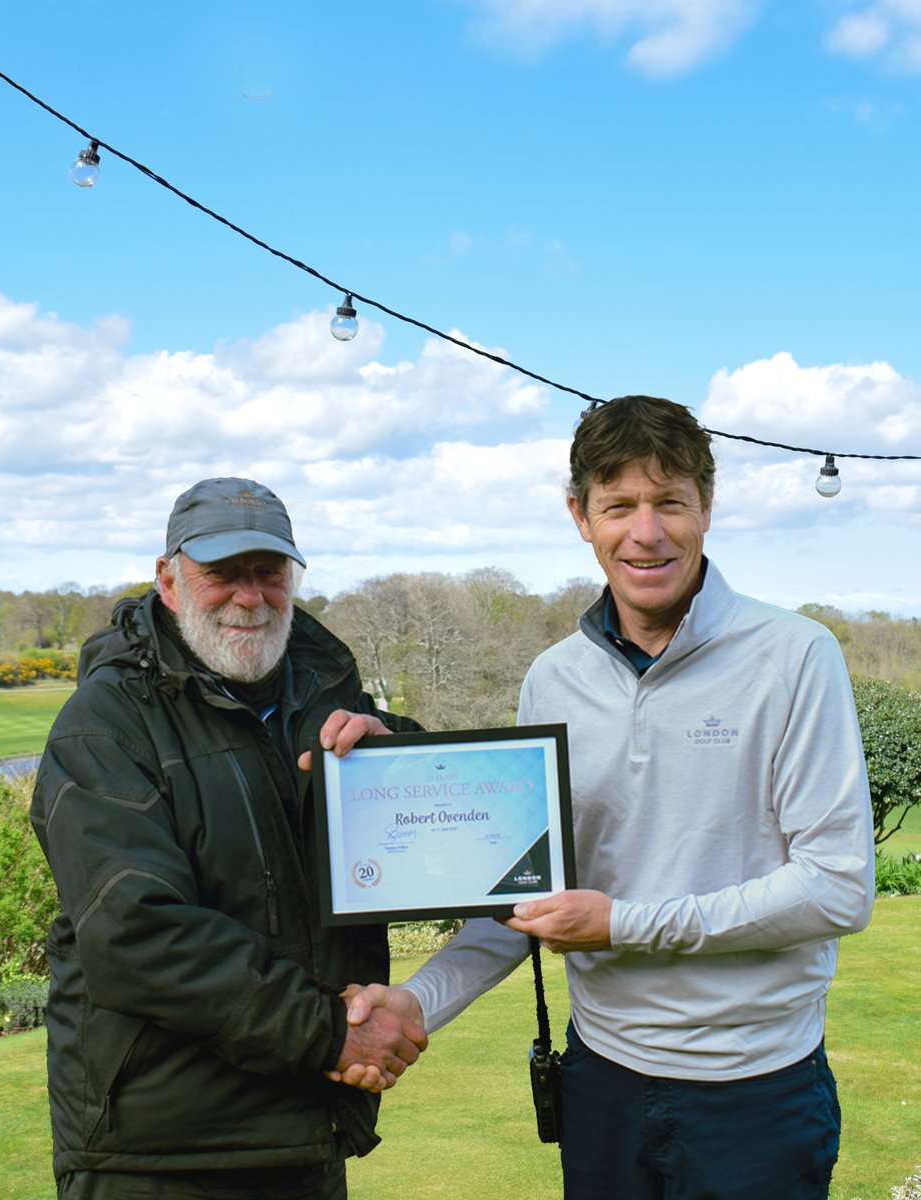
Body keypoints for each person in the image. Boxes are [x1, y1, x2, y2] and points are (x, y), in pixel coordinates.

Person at [342, 396, 875, 1200]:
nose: (646, 531)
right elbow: (523, 900)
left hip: (756, 1093)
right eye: (618, 505)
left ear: (707, 508)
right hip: (602, 1084)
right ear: (579, 517)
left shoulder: (796, 656)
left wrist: (622, 925)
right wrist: (416, 1003)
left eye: (670, 502)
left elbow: (837, 886)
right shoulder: (551, 679)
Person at [30, 477, 428, 1200]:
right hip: (156, 1157)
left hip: (306, 1135)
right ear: (169, 580)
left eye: (268, 572)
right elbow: (136, 933)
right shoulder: (104, 724)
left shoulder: (323, 696)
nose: (250, 596)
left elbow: (436, 836)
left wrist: (394, 748)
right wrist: (330, 1033)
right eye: (223, 573)